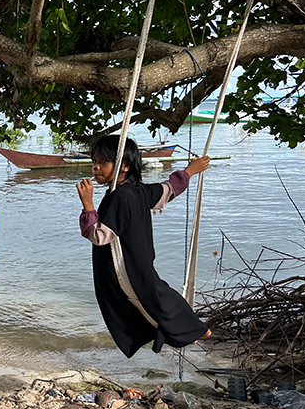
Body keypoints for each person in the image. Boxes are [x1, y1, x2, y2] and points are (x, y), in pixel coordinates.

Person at [76, 135, 212, 358]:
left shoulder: (118, 197)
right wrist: (190, 171)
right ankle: (193, 330)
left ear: (125, 166)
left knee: (136, 301)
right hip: (141, 262)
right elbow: (168, 190)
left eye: (103, 162)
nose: (96, 167)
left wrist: (88, 205)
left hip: (125, 267)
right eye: (95, 161)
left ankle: (193, 331)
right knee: (154, 296)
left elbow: (100, 236)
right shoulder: (138, 190)